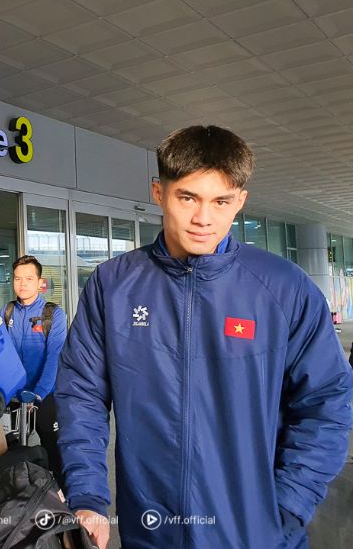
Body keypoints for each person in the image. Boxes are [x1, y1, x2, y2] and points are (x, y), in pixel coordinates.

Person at [56, 125, 353, 549]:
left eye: (221, 201)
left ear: (240, 202)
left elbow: (325, 401)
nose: (203, 218)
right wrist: (87, 496)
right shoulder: (113, 286)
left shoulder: (284, 288)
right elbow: (81, 393)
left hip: (257, 535)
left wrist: (288, 505)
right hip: (151, 530)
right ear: (159, 193)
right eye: (188, 198)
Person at [0, 255, 67, 480]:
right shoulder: (7, 312)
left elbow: (54, 358)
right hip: (14, 394)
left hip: (44, 393)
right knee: (10, 449)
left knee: (53, 447)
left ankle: (61, 492)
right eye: (17, 278)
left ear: (39, 282)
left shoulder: (53, 315)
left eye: (29, 279)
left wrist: (38, 394)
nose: (22, 284)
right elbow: (0, 354)